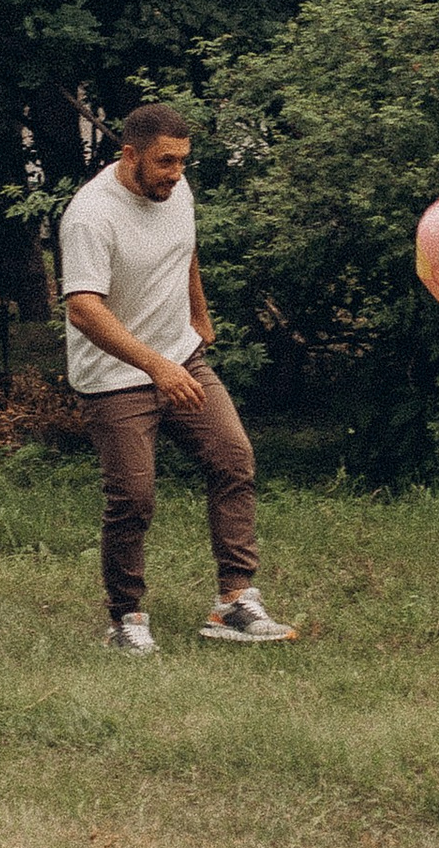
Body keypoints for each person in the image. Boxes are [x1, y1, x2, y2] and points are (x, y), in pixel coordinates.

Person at [58, 103, 296, 655]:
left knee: (233, 460)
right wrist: (156, 367)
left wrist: (199, 314)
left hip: (180, 359)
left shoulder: (175, 191)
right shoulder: (91, 215)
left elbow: (184, 251)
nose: (177, 173)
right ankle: (126, 618)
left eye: (183, 161)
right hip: (115, 377)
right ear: (130, 155)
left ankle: (234, 603)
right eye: (166, 162)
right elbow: (84, 309)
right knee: (133, 497)